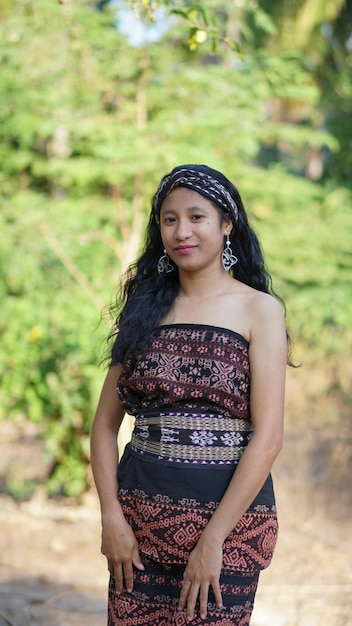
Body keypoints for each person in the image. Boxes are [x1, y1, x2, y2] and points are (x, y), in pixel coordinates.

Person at [90, 164, 288, 625]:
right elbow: (103, 426)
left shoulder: (259, 310)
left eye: (197, 217)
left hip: (229, 535)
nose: (182, 231)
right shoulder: (143, 311)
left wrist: (213, 540)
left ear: (226, 225)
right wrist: (111, 519)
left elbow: (270, 435)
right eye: (169, 219)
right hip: (138, 534)